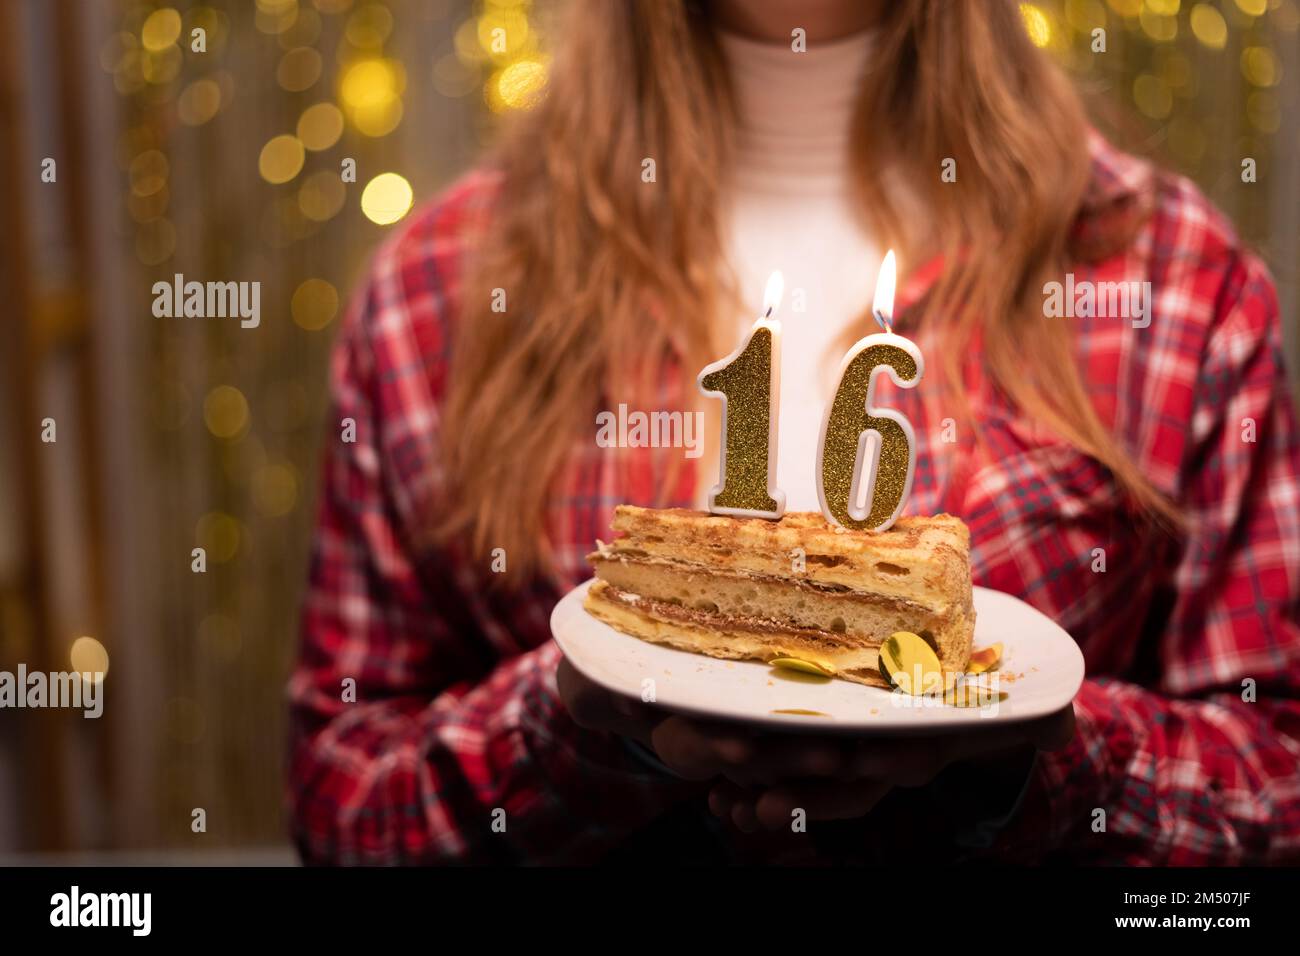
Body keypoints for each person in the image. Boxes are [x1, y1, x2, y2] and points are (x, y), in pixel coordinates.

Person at [287, 0, 1300, 864]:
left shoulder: (1168, 275)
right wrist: (576, 722)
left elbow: (1277, 773)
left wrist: (1034, 756)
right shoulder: (440, 291)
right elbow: (340, 792)